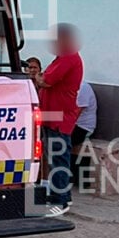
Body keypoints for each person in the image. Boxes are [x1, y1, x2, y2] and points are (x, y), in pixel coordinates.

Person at [34, 23, 83, 216]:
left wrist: (39, 78)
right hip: (51, 116)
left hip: (59, 118)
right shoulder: (62, 57)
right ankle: (61, 195)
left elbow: (45, 80)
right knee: (54, 158)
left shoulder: (69, 57)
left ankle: (60, 202)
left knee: (58, 160)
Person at [71, 80, 98, 185]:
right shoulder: (67, 86)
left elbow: (75, 114)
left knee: (58, 141)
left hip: (83, 127)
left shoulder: (83, 88)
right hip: (72, 124)